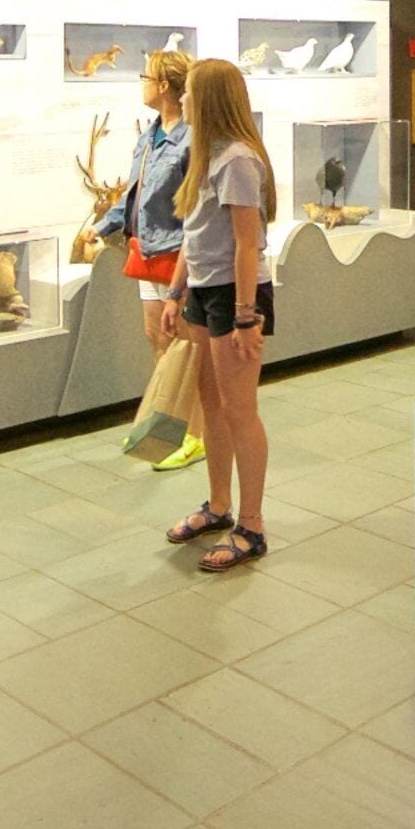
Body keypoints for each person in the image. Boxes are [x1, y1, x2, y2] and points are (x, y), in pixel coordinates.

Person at [161, 57, 275, 573]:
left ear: (205, 99)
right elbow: (195, 231)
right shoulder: (205, 155)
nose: (180, 99)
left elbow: (247, 243)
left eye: (187, 93)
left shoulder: (236, 160)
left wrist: (247, 317)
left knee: (239, 409)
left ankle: (251, 525)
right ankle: (219, 505)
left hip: (236, 295)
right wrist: (174, 292)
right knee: (213, 405)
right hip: (205, 291)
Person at [98, 49, 199, 473]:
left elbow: (195, 203)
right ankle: (164, 425)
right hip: (147, 251)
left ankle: (194, 434)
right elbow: (134, 192)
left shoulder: (193, 139)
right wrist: (107, 224)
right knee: (157, 339)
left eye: (146, 75)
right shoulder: (150, 135)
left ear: (164, 87)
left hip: (179, 254)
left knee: (187, 344)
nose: (141, 82)